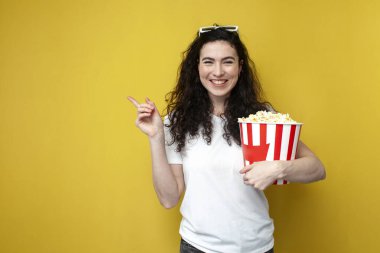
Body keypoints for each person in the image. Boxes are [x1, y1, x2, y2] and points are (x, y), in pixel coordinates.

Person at [128, 25, 326, 253]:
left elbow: (317, 169)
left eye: (228, 61)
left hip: (258, 248)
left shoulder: (262, 117)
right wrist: (156, 137)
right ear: (197, 67)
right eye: (209, 61)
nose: (218, 71)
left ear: (240, 67)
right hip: (198, 248)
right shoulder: (177, 121)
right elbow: (169, 199)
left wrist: (278, 168)